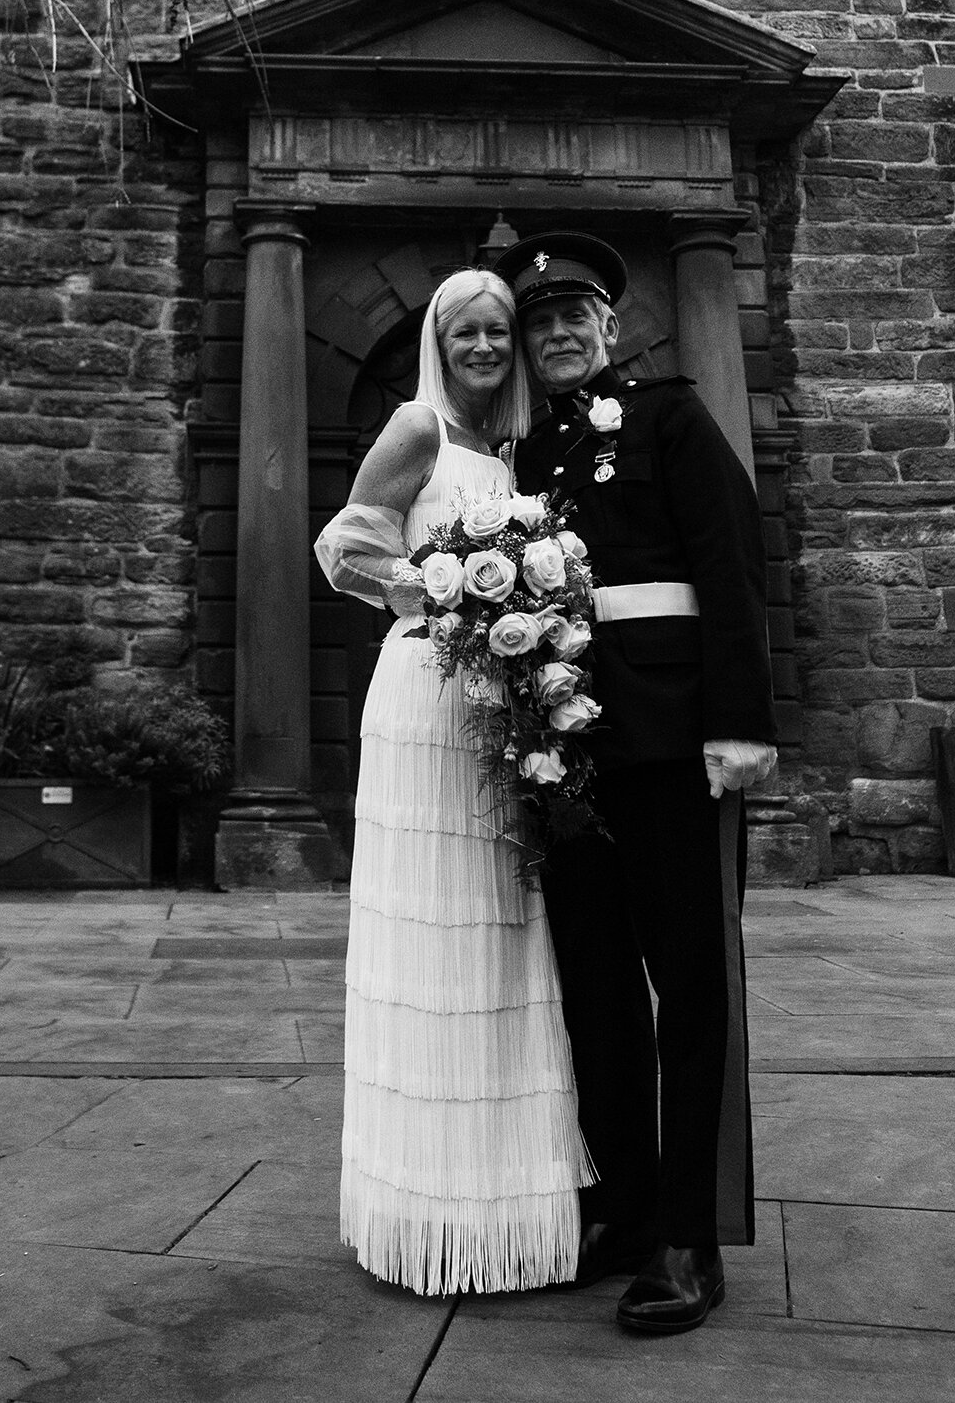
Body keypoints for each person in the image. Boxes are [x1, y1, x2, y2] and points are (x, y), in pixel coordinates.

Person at [499, 230, 779, 1340]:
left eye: (576, 313)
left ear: (612, 325)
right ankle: (623, 1203)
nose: (559, 330)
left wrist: (742, 724)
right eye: (540, 319)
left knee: (690, 987)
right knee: (597, 991)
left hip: (670, 743)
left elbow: (730, 562)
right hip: (566, 760)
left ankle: (689, 1236)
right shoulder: (524, 458)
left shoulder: (668, 416)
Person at [314, 267, 591, 1298]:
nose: (482, 347)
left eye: (497, 331)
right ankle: (426, 1205)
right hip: (429, 699)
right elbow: (342, 543)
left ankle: (514, 1201)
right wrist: (435, 593)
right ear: (440, 340)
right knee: (436, 924)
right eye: (465, 331)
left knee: (510, 922)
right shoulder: (415, 428)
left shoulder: (509, 447)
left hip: (505, 701)